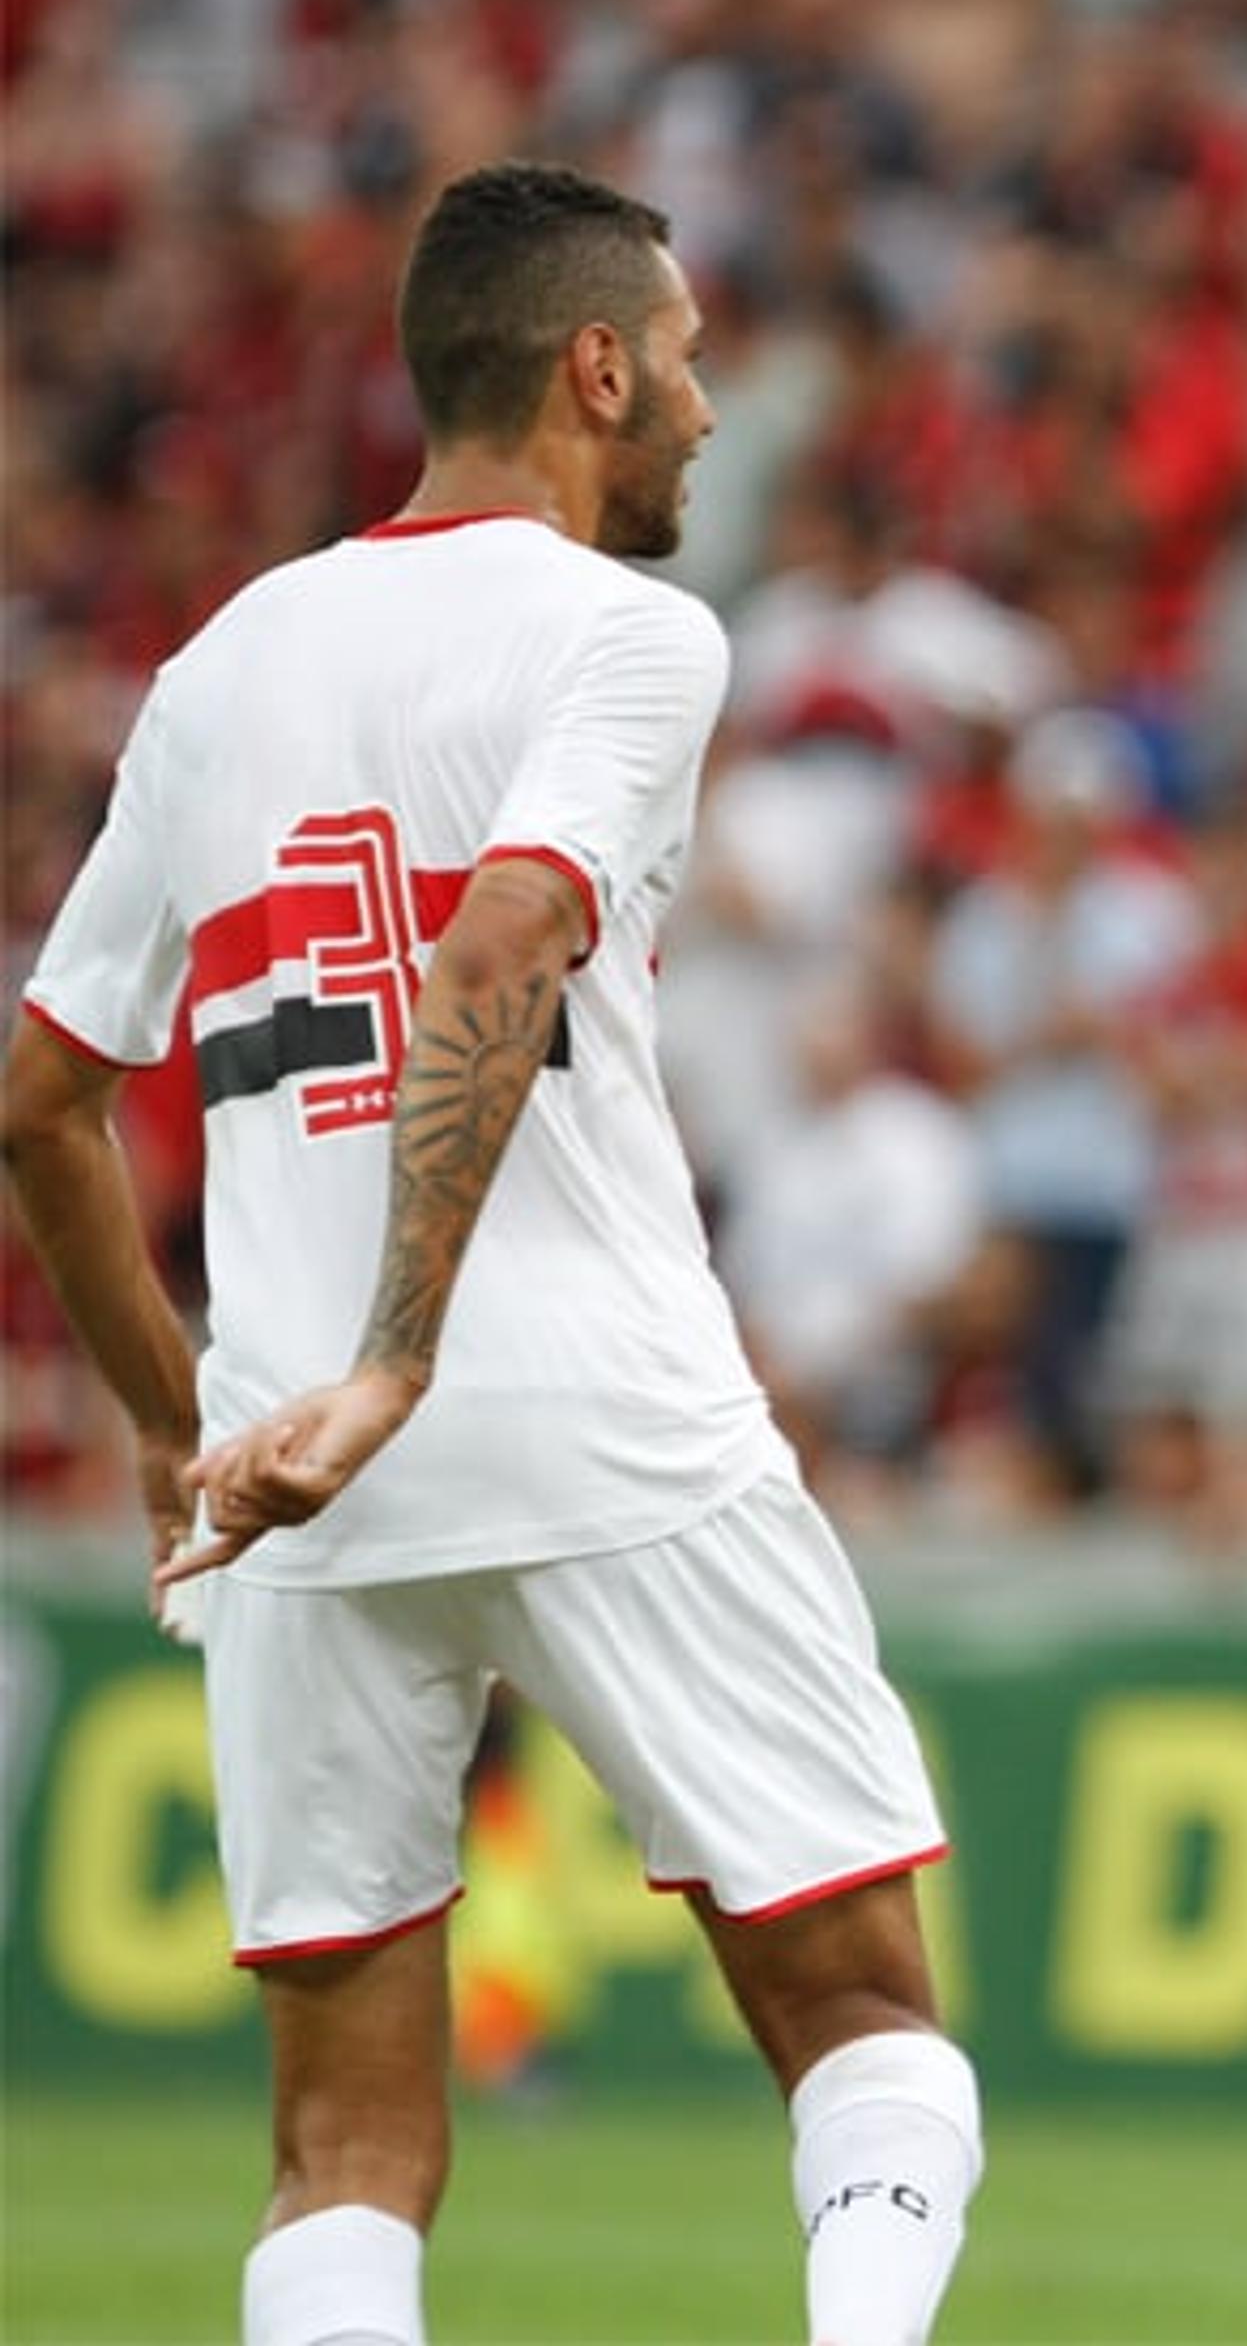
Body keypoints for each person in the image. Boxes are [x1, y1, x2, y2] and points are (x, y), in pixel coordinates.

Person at [0, 162, 977, 2346]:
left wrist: (184, 1436)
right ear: (596, 366)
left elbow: (43, 1102)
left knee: (342, 2146)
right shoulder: (629, 634)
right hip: (583, 1402)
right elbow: (502, 945)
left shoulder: (217, 666)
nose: (716, 412)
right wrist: (396, 1357)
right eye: (697, 358)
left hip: (285, 1470)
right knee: (860, 2013)